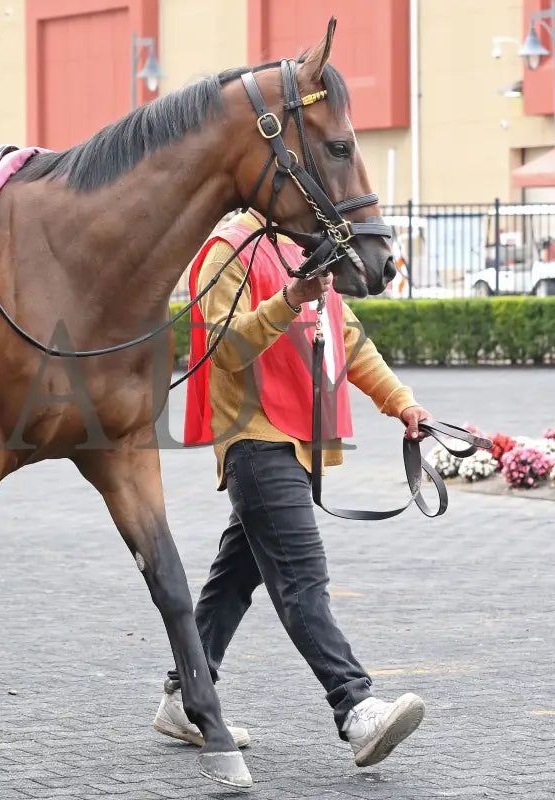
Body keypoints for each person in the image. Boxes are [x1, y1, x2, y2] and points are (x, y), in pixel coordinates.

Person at [153, 208, 432, 768]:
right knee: (303, 578)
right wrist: (289, 298)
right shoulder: (226, 248)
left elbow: (346, 338)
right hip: (255, 441)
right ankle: (355, 706)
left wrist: (401, 401)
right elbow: (224, 348)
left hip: (297, 440)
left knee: (233, 580)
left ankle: (186, 696)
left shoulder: (303, 248)